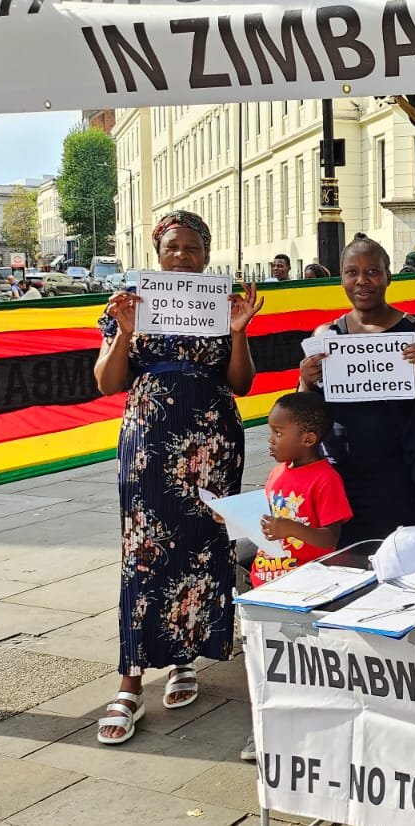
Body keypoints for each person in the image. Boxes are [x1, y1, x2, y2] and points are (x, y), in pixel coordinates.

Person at [91, 210, 264, 745]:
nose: (182, 257)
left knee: (202, 548)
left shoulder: (221, 303)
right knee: (144, 553)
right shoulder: (130, 304)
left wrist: (237, 332)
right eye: (173, 248)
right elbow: (105, 382)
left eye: (192, 249)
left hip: (211, 444)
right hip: (149, 442)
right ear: (157, 250)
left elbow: (242, 384)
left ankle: (185, 659)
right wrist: (123, 333)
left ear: (207, 254)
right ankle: (130, 680)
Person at [299, 237, 415, 546]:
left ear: (388, 276)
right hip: (337, 476)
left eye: (372, 271)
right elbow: (304, 415)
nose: (362, 281)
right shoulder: (326, 335)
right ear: (340, 278)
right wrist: (305, 380)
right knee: (342, 563)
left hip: (400, 477)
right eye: (351, 272)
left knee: (397, 560)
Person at [240, 391, 352, 762]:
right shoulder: (276, 473)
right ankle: (264, 730)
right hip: (268, 582)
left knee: (300, 668)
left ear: (308, 438)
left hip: (305, 590)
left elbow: (330, 539)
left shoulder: (326, 479)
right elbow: (270, 525)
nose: (269, 440)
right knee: (263, 665)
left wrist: (290, 527)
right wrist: (238, 517)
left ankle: (303, 731)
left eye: (277, 432)